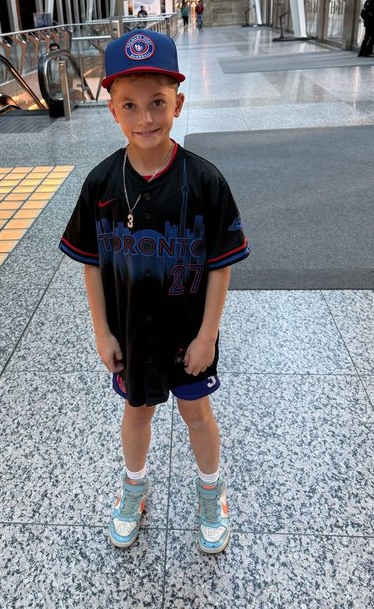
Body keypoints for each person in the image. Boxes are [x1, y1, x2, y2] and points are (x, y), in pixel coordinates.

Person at [59, 29, 250, 554]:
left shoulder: (205, 182)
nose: (146, 118)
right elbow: (92, 265)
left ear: (179, 104)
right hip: (132, 334)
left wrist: (208, 334)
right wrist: (101, 332)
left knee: (196, 415)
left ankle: (212, 492)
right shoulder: (101, 185)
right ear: (112, 111)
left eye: (158, 103)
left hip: (189, 334)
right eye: (130, 105)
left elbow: (218, 265)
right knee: (137, 412)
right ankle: (133, 489)